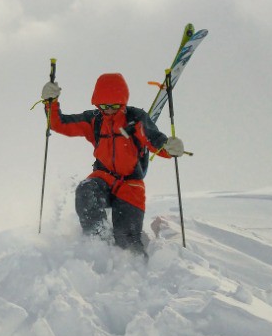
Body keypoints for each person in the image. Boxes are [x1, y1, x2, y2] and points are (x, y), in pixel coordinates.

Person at [41, 72, 184, 253]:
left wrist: (168, 147)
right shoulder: (95, 120)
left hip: (130, 185)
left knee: (126, 241)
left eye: (114, 105)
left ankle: (135, 270)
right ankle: (97, 241)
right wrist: (50, 103)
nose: (108, 110)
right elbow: (59, 123)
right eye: (103, 105)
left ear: (123, 102)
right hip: (103, 178)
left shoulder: (136, 118)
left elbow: (153, 138)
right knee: (86, 189)